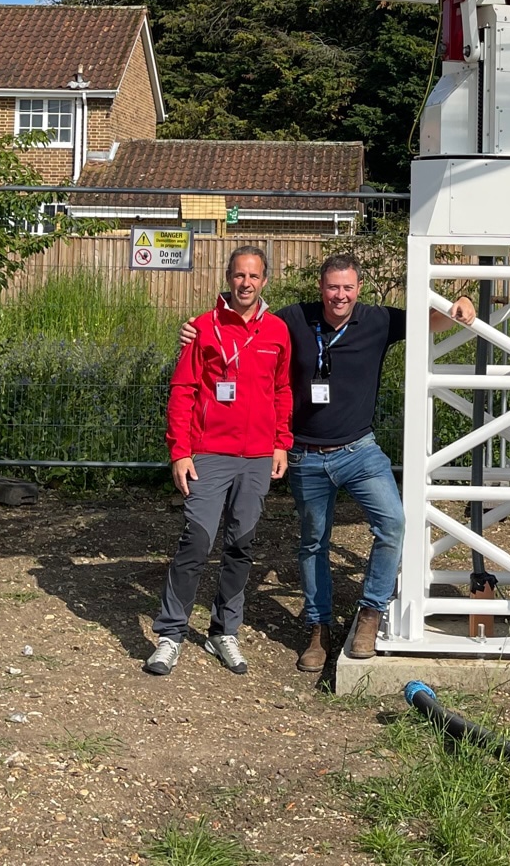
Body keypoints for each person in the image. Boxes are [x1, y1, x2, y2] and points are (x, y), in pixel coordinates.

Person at [180, 253, 476, 672]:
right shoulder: (293, 320)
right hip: (305, 455)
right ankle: (318, 628)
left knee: (393, 523)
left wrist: (458, 304)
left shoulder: (377, 320)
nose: (340, 295)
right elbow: (244, 329)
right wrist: (193, 331)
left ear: (359, 290)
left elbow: (434, 321)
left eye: (348, 288)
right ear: (321, 288)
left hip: (359, 450)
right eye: (333, 287)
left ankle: (370, 613)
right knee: (313, 541)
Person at [145, 246, 292, 678]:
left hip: (258, 455)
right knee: (196, 541)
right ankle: (170, 635)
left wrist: (281, 443)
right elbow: (184, 390)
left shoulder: (278, 331)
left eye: (254, 277)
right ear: (228, 278)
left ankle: (223, 630)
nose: (246, 284)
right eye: (239, 276)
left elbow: (282, 391)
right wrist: (180, 451)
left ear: (265, 281)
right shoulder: (202, 329)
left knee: (241, 545)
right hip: (209, 453)